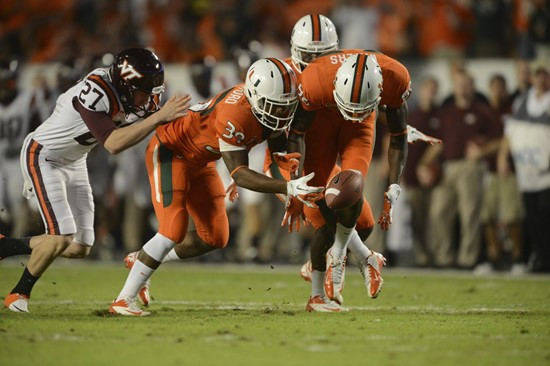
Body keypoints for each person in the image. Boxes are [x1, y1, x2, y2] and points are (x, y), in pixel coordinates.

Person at [109, 58, 324, 316]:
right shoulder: (236, 113)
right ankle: (123, 300)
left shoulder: (268, 111)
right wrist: (287, 188)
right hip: (170, 152)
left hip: (202, 160)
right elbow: (242, 174)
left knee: (215, 237)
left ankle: (141, 259)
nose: (281, 113)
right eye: (274, 107)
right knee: (173, 229)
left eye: (285, 106)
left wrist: (290, 190)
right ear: (255, 96)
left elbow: (278, 159)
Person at [0, 48, 191, 313]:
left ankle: (6, 245)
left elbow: (141, 121)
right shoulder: (96, 91)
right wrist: (158, 117)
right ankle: (19, 293)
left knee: (80, 246)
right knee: (62, 234)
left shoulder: (128, 95)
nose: (149, 100)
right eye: (144, 92)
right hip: (44, 155)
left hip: (75, 159)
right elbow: (113, 144)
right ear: (125, 84)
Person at [278, 14, 439, 312]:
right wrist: (293, 176)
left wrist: (394, 183)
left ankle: (338, 255)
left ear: (378, 91)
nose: (311, 58)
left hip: (362, 125)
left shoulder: (394, 76)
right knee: (320, 195)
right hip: (322, 120)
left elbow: (398, 135)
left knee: (351, 187)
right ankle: (364, 258)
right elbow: (296, 133)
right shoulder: (315, 79)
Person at [499, 61, 550, 273]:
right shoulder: (522, 101)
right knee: (532, 217)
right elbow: (510, 132)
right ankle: (540, 257)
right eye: (538, 75)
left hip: (546, 171)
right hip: (526, 170)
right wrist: (503, 157)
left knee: (546, 213)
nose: (541, 80)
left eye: (545, 75)